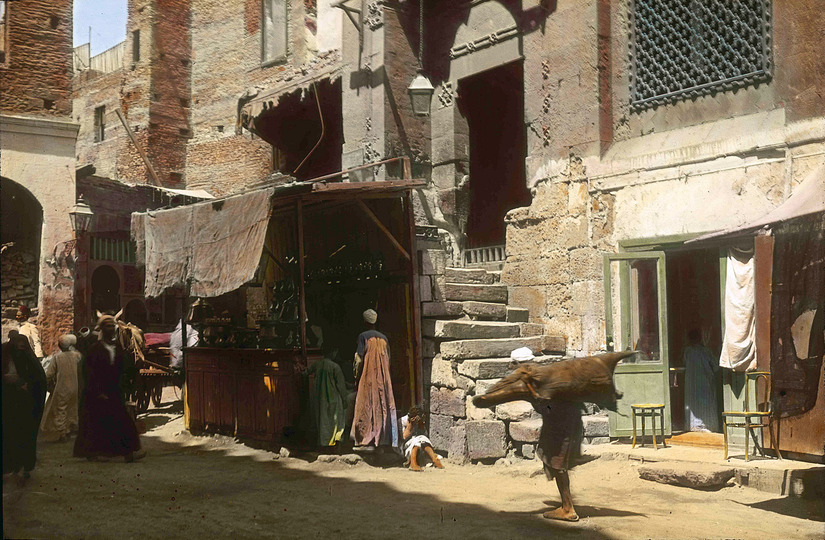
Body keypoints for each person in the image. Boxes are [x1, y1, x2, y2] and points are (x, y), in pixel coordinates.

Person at [515, 347, 583, 522]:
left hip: (562, 425)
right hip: (562, 423)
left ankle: (568, 509)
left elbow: (549, 406)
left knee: (558, 464)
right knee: (555, 463)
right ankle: (566, 505)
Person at [73, 313, 145, 462]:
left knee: (122, 421)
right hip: (98, 392)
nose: (111, 328)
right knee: (97, 423)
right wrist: (98, 391)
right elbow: (89, 372)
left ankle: (128, 453)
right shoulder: (95, 349)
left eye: (112, 326)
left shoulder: (117, 347)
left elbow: (123, 368)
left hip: (114, 391)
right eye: (107, 326)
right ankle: (94, 453)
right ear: (102, 329)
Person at [350, 309, 398, 449]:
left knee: (365, 405)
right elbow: (388, 359)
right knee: (382, 405)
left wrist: (356, 376)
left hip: (368, 376)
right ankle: (382, 439)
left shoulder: (363, 336)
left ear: (365, 322)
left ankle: (365, 438)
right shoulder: (384, 338)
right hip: (383, 378)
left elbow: (358, 359)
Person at [2, 331, 47, 478]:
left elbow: (39, 379)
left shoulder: (29, 358)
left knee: (25, 434)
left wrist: (27, 385)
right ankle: (12, 466)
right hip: (8, 402)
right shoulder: (5, 355)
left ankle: (26, 465)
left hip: (26, 403)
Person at [40, 334, 82, 442]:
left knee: (61, 409)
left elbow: (49, 374)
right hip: (75, 386)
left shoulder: (58, 358)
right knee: (71, 408)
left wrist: (44, 382)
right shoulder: (77, 356)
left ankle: (62, 432)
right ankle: (69, 429)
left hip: (62, 387)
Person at [306, 345, 349, 448]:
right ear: (332, 352)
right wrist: (344, 399)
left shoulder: (317, 364)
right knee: (334, 421)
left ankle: (322, 442)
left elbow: (306, 372)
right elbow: (341, 385)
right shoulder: (335, 367)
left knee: (322, 421)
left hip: (319, 398)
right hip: (332, 397)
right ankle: (333, 443)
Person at [684, 328, 720, 432]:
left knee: (694, 404)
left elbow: (684, 363)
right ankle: (706, 425)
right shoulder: (705, 351)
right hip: (705, 381)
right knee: (705, 404)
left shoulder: (688, 351)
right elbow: (716, 366)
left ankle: (695, 425)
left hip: (692, 382)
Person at [400, 405, 443, 471]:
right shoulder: (402, 421)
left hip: (418, 445)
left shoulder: (420, 421)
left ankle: (434, 459)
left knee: (421, 438)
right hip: (404, 446)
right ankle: (413, 462)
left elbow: (425, 436)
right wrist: (410, 426)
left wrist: (421, 425)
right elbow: (404, 437)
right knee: (417, 440)